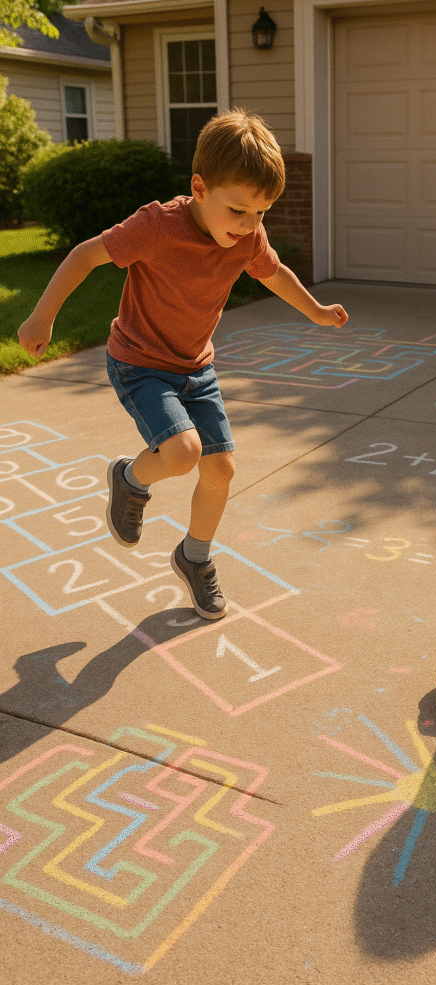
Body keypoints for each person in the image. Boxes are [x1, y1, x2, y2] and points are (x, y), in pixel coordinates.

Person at [18, 109, 348, 620]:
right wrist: (42, 318)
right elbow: (84, 255)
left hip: (195, 367)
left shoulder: (247, 238)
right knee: (183, 451)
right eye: (238, 211)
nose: (249, 227)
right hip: (139, 362)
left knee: (222, 467)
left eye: (261, 214)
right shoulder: (156, 227)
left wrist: (317, 311)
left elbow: (275, 273)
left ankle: (194, 557)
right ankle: (130, 478)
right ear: (199, 187)